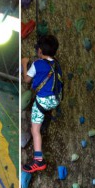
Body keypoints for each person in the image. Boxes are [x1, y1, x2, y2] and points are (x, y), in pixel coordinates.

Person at [21, 34, 63, 173]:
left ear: (40, 51)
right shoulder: (56, 63)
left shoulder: (37, 64)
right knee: (45, 109)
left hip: (43, 101)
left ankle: (38, 160)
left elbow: (27, 80)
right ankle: (45, 119)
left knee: (35, 130)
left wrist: (24, 64)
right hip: (56, 99)